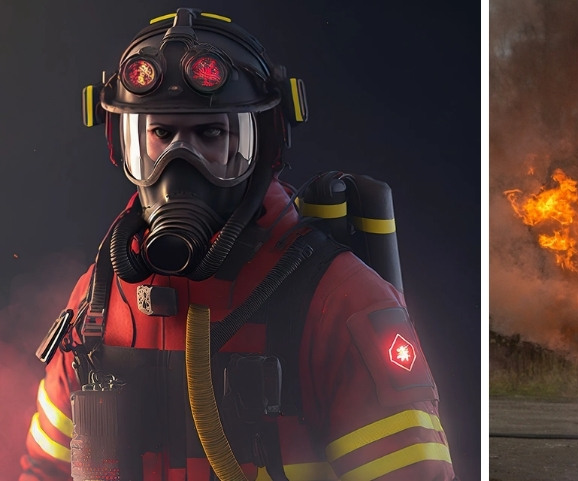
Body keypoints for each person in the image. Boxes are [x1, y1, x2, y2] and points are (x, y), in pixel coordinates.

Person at [21, 10, 454, 480]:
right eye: (160, 134)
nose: (178, 163)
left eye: (210, 133)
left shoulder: (337, 300)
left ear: (262, 146)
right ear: (124, 145)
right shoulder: (98, 300)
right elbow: (45, 468)